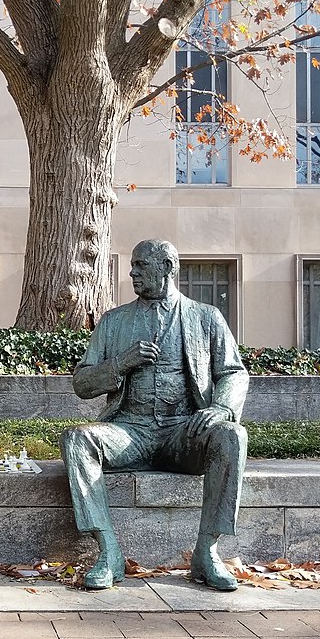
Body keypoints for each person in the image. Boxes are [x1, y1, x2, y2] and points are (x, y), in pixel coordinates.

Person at [61, 239, 249, 591]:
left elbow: (234, 373)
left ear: (167, 267)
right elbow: (82, 383)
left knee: (232, 435)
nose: (132, 272)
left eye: (141, 266)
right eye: (132, 265)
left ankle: (207, 551)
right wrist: (120, 363)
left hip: (183, 432)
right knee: (78, 438)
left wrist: (222, 408)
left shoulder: (205, 317)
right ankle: (109, 552)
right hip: (131, 431)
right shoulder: (114, 322)